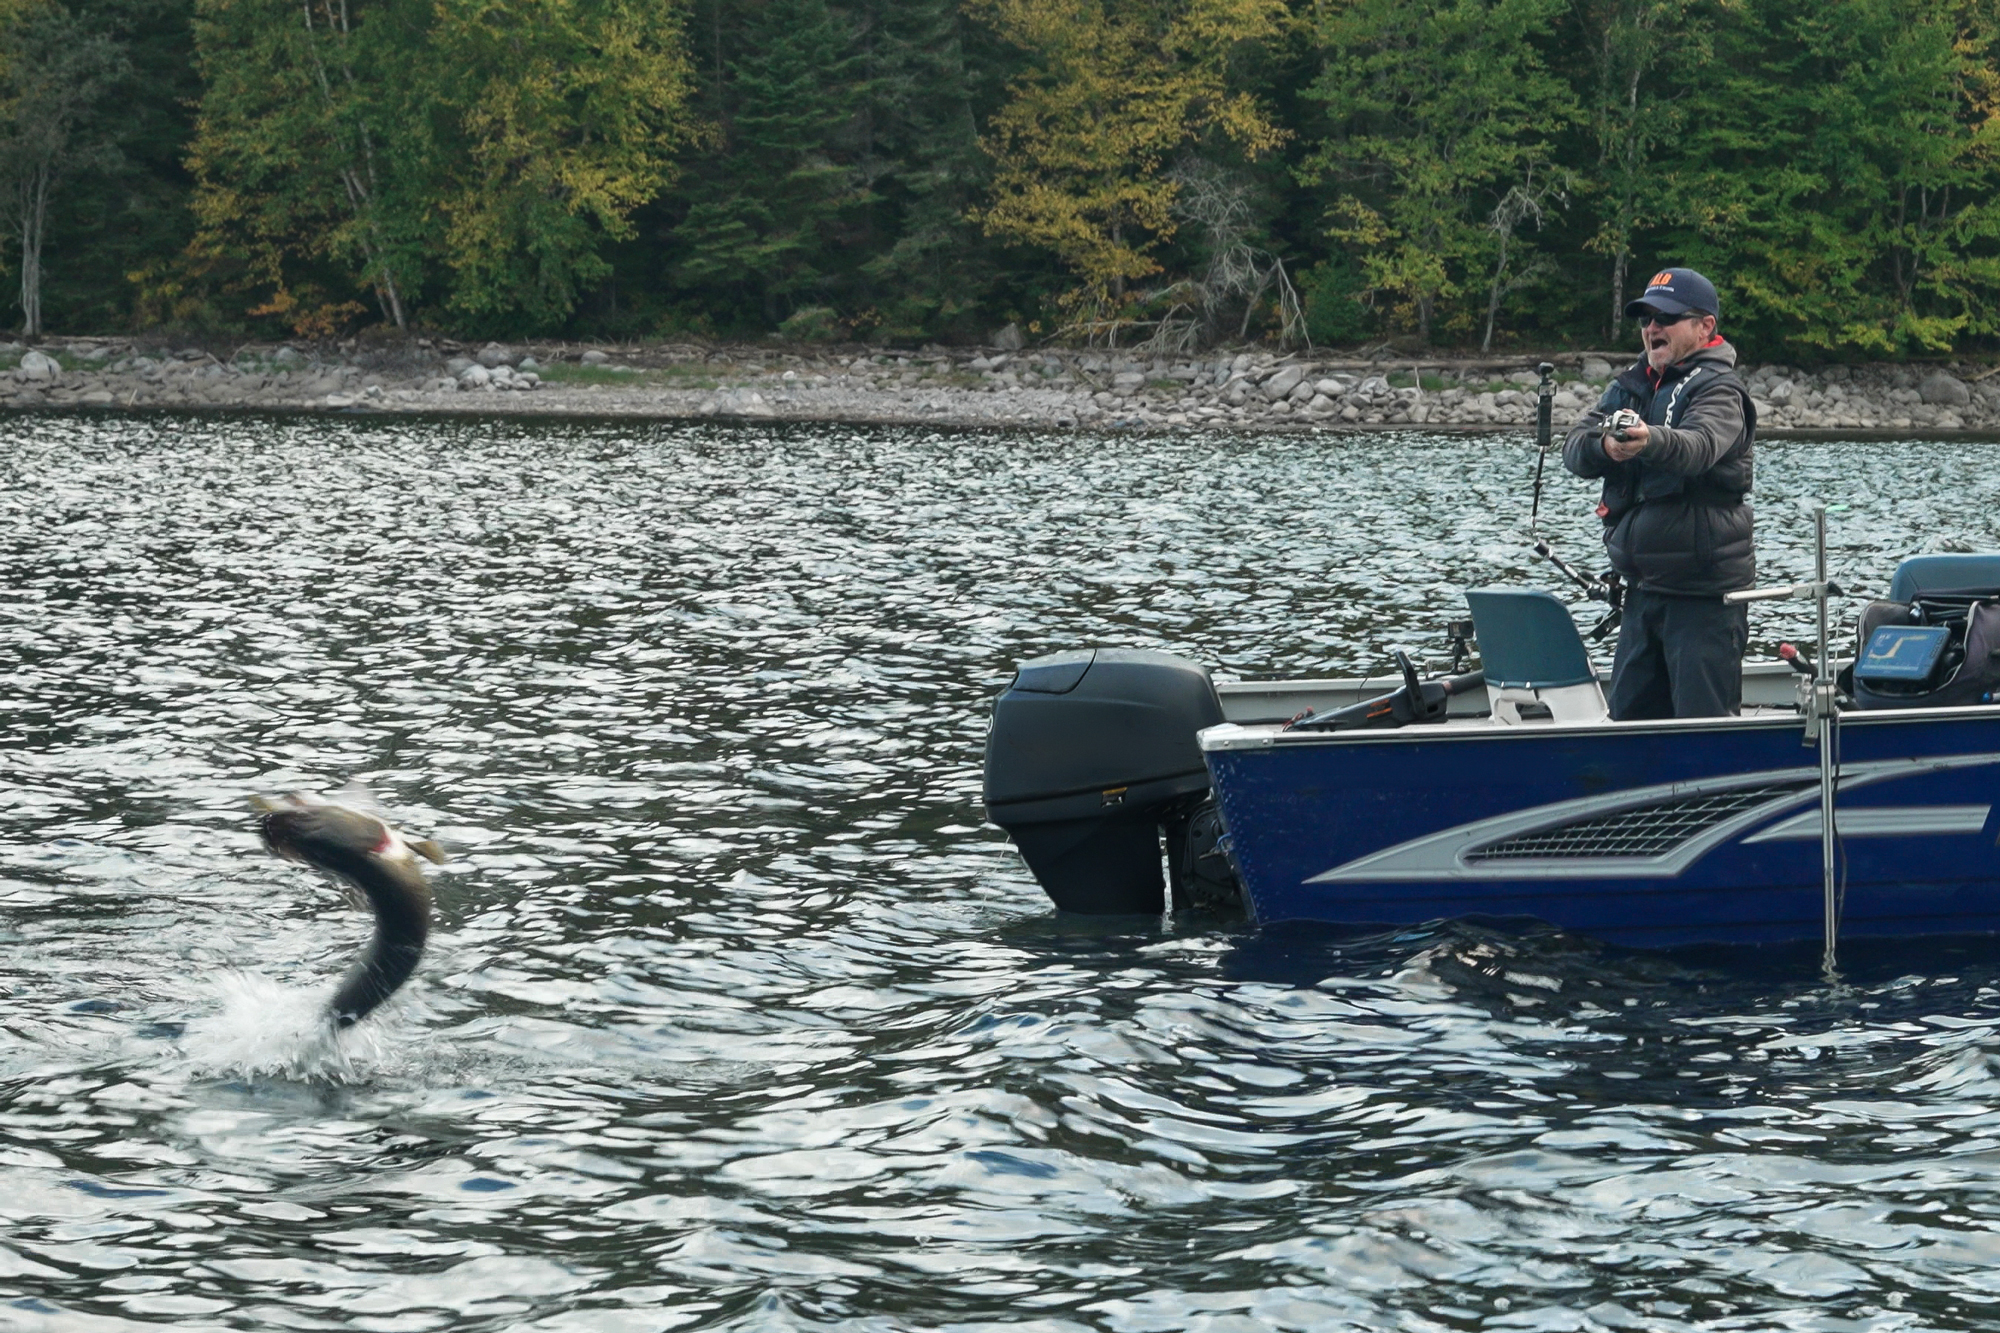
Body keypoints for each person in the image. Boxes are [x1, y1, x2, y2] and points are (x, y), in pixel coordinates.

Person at [1562, 266, 1756, 720]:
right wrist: (1606, 446)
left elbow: (1699, 446)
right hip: (1642, 593)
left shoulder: (1721, 390)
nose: (1652, 328)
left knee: (1701, 736)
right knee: (1628, 729)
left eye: (1666, 318)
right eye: (1646, 318)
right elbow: (1574, 447)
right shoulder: (1630, 383)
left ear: (1705, 326)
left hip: (1703, 600)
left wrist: (1647, 440)